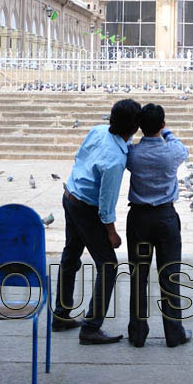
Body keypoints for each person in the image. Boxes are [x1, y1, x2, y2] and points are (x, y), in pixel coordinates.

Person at [52, 98, 142, 345]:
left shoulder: (98, 130)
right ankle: (91, 326)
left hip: (71, 195)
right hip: (86, 208)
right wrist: (111, 232)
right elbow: (106, 202)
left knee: (71, 256)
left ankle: (61, 315)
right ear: (134, 128)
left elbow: (79, 156)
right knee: (108, 265)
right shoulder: (115, 160)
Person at [124, 103, 192, 348]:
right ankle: (174, 333)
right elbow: (181, 146)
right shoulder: (172, 152)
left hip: (139, 219)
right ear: (162, 124)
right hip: (165, 218)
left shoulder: (132, 154)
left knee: (138, 276)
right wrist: (167, 132)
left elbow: (127, 149)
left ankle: (137, 333)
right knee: (170, 275)